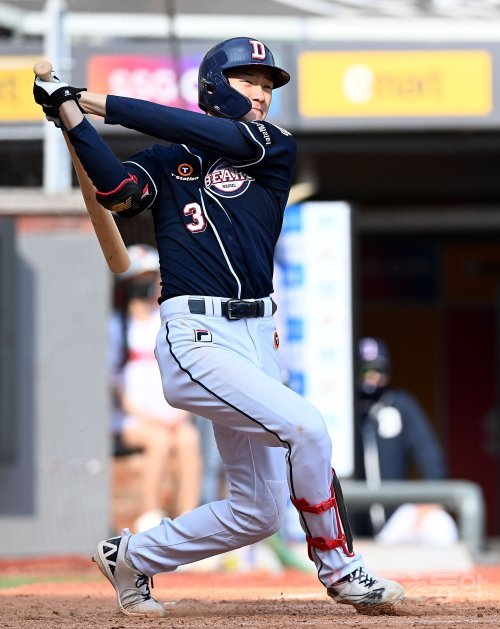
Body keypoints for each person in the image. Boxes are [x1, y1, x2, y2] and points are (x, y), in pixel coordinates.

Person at [33, 37, 404, 617]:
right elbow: (118, 193)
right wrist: (73, 120)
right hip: (196, 336)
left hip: (257, 337)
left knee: (258, 512)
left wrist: (94, 101)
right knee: (306, 428)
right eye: (247, 80)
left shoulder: (270, 146)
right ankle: (341, 570)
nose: (261, 92)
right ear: (213, 87)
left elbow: (201, 131)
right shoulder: (166, 161)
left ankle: (131, 557)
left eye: (267, 83)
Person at [109, 244, 202, 532]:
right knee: (159, 440)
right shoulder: (114, 325)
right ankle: (149, 517)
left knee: (188, 438)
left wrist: (180, 413)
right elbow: (115, 387)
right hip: (131, 419)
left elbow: (182, 371)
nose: (148, 285)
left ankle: (189, 519)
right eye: (141, 279)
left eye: (151, 278)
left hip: (169, 413)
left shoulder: (162, 322)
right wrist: (149, 417)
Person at [356, 336, 458, 546]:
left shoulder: (400, 405)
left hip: (394, 523)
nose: (372, 375)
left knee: (440, 526)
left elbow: (431, 457)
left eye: (379, 369)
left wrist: (431, 499)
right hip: (347, 526)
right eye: (365, 369)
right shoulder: (343, 410)